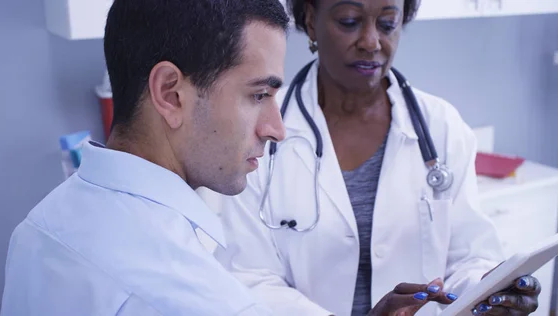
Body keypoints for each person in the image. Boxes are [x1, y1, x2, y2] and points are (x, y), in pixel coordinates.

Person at [200, 0, 542, 315]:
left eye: (388, 23)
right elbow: (249, 276)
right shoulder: (260, 127)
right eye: (349, 21)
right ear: (310, 20)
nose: (371, 42)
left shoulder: (442, 126)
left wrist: (489, 289)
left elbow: (470, 255)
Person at [0, 0, 291, 315]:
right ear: (170, 94)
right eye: (259, 95)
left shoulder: (36, 229)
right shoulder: (203, 303)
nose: (276, 130)